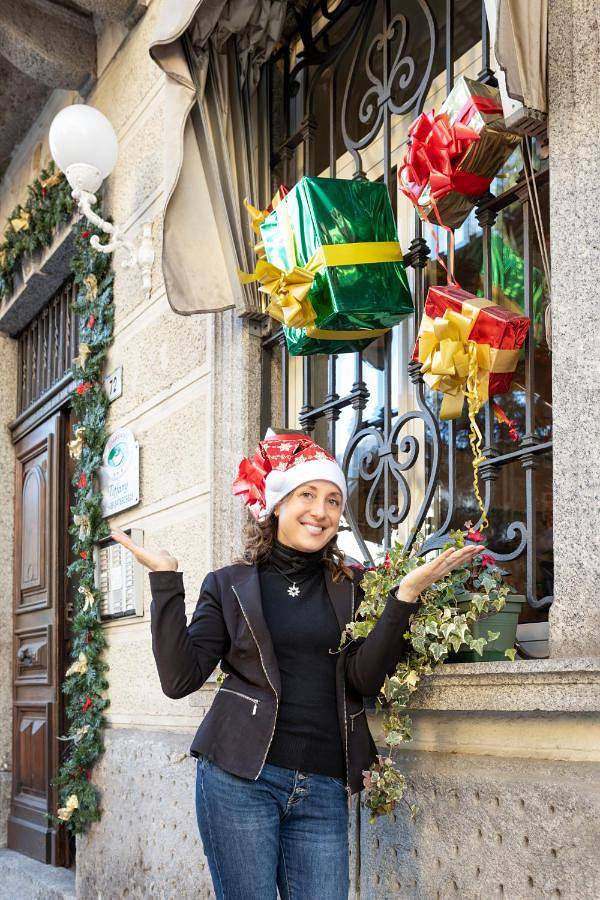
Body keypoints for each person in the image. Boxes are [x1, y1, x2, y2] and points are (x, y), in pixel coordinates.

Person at [111, 430, 480, 900]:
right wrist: (165, 582)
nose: (321, 511)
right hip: (240, 778)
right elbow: (180, 678)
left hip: (324, 785)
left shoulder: (351, 586)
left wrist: (403, 597)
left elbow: (363, 679)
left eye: (332, 499)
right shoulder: (229, 585)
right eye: (307, 494)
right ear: (277, 504)